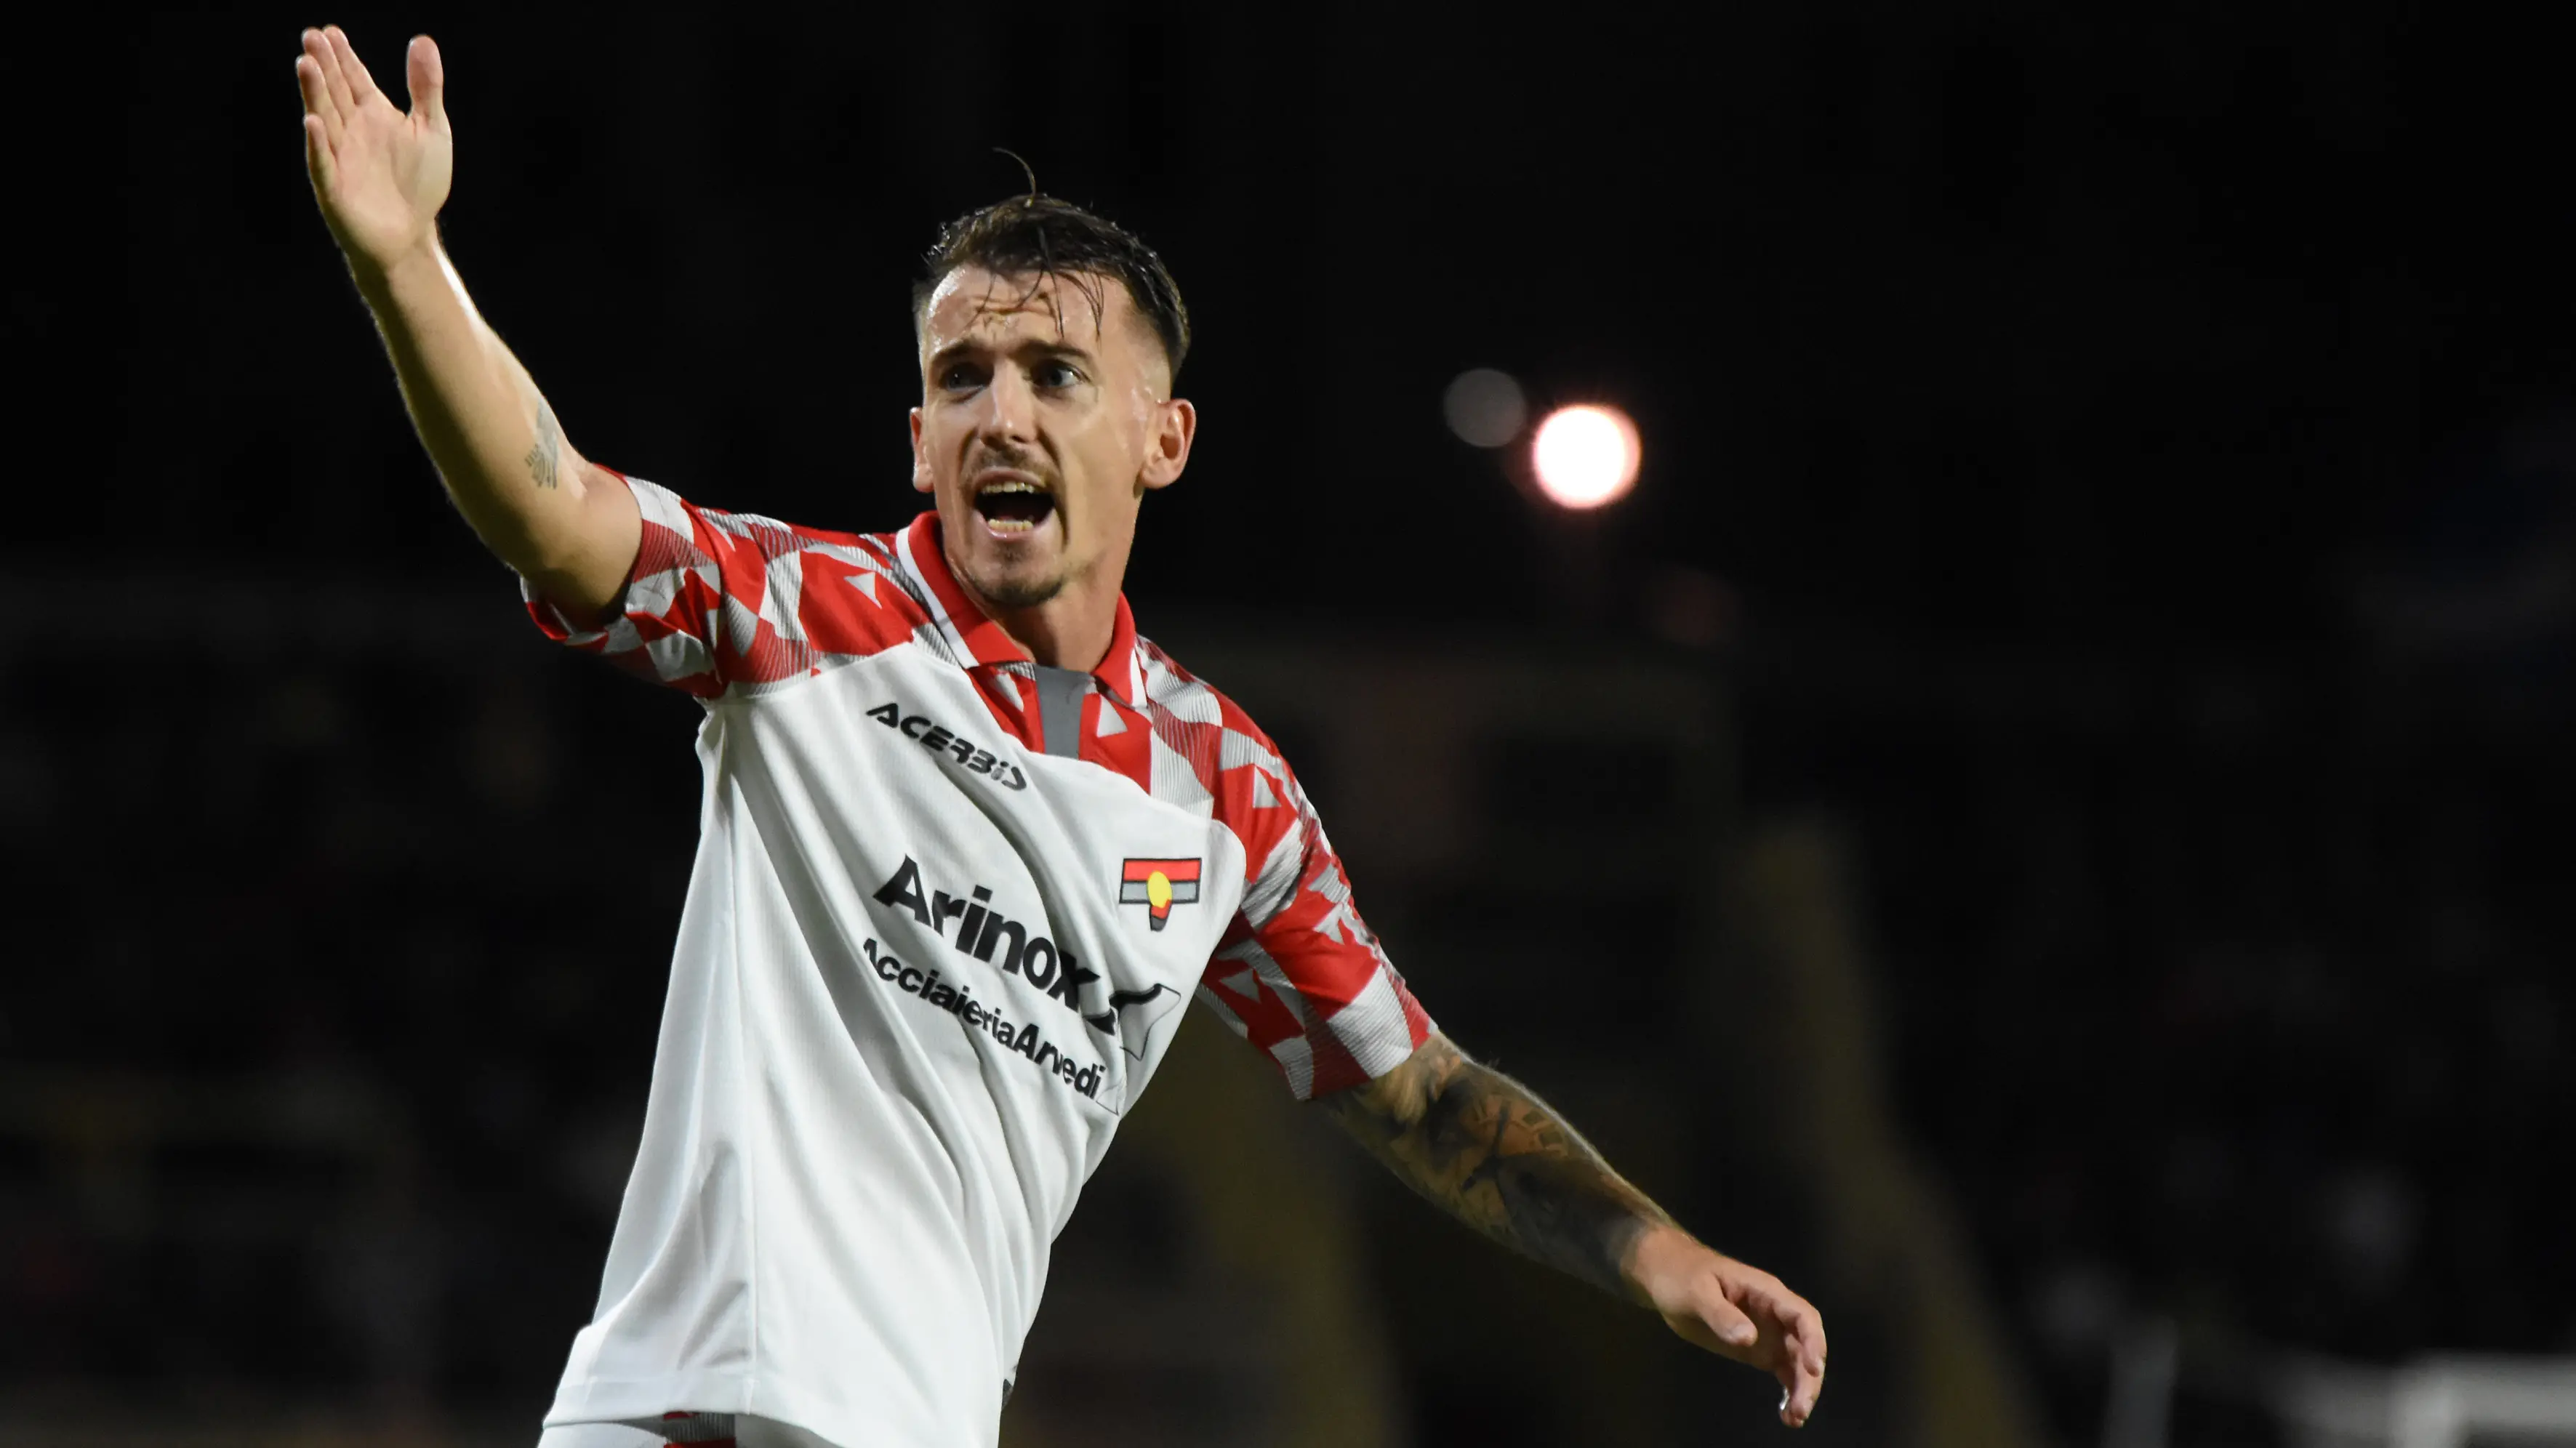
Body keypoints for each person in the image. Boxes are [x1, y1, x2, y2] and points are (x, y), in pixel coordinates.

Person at [293, 23, 1828, 1448]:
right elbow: (553, 514)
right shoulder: (810, 618)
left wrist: (1652, 1248)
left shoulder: (1222, 795)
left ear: (1163, 438)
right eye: (959, 379)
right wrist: (405, 264)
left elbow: (1419, 1093)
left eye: (1053, 375)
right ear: (916, 437)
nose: (999, 414)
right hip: (675, 1412)